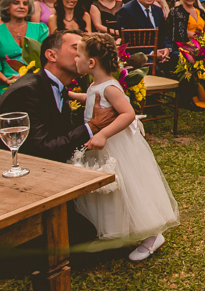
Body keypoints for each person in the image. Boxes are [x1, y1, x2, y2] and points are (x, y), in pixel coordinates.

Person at [70, 32, 180, 261]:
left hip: (115, 146)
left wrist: (103, 134)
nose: (75, 59)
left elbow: (128, 114)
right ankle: (110, 233)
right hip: (101, 147)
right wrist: (71, 95)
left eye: (78, 55)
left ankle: (152, 235)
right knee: (108, 192)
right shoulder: (96, 84)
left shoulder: (110, 88)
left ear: (91, 62)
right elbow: (91, 98)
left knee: (127, 187)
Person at [0, 30, 101, 160]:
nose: (85, 54)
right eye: (77, 48)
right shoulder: (26, 91)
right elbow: (39, 150)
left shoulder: (59, 89)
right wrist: (92, 127)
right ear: (52, 55)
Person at [0, 0, 50, 93]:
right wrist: (7, 81)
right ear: (7, 7)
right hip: (8, 85)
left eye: (25, 3)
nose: (21, 6)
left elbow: (47, 59)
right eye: (16, 3)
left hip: (37, 83)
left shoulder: (40, 29)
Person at [168, 0, 205, 108]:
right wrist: (192, 35)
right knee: (190, 59)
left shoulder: (200, 11)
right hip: (182, 47)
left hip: (200, 45)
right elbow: (175, 33)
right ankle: (188, 98)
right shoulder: (176, 11)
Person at [115, 0, 172, 65]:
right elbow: (129, 41)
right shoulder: (126, 11)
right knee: (152, 68)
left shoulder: (158, 10)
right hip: (139, 54)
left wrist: (167, 48)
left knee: (181, 59)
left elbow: (164, 33)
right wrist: (152, 53)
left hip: (161, 52)